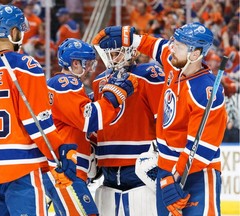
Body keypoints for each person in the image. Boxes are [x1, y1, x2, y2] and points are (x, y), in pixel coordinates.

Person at [92, 22, 227, 216]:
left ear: (195, 54)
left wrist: (174, 176)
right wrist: (131, 38)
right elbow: (156, 46)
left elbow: (202, 148)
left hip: (197, 173)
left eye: (178, 46)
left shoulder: (204, 92)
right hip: (167, 171)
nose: (172, 47)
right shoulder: (174, 63)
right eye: (174, 41)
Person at [0, 4, 77, 216]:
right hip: (23, 172)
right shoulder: (24, 65)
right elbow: (38, 123)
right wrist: (60, 153)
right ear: (14, 32)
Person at [45, 38, 138, 215]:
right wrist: (114, 95)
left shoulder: (56, 86)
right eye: (86, 63)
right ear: (74, 63)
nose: (89, 68)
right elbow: (88, 119)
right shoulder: (67, 84)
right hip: (65, 173)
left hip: (61, 170)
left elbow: (78, 126)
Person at [91, 42, 165, 215]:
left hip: (142, 167)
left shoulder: (149, 74)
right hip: (108, 170)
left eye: (116, 52)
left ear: (131, 51)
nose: (112, 56)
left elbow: (164, 120)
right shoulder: (99, 80)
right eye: (109, 52)